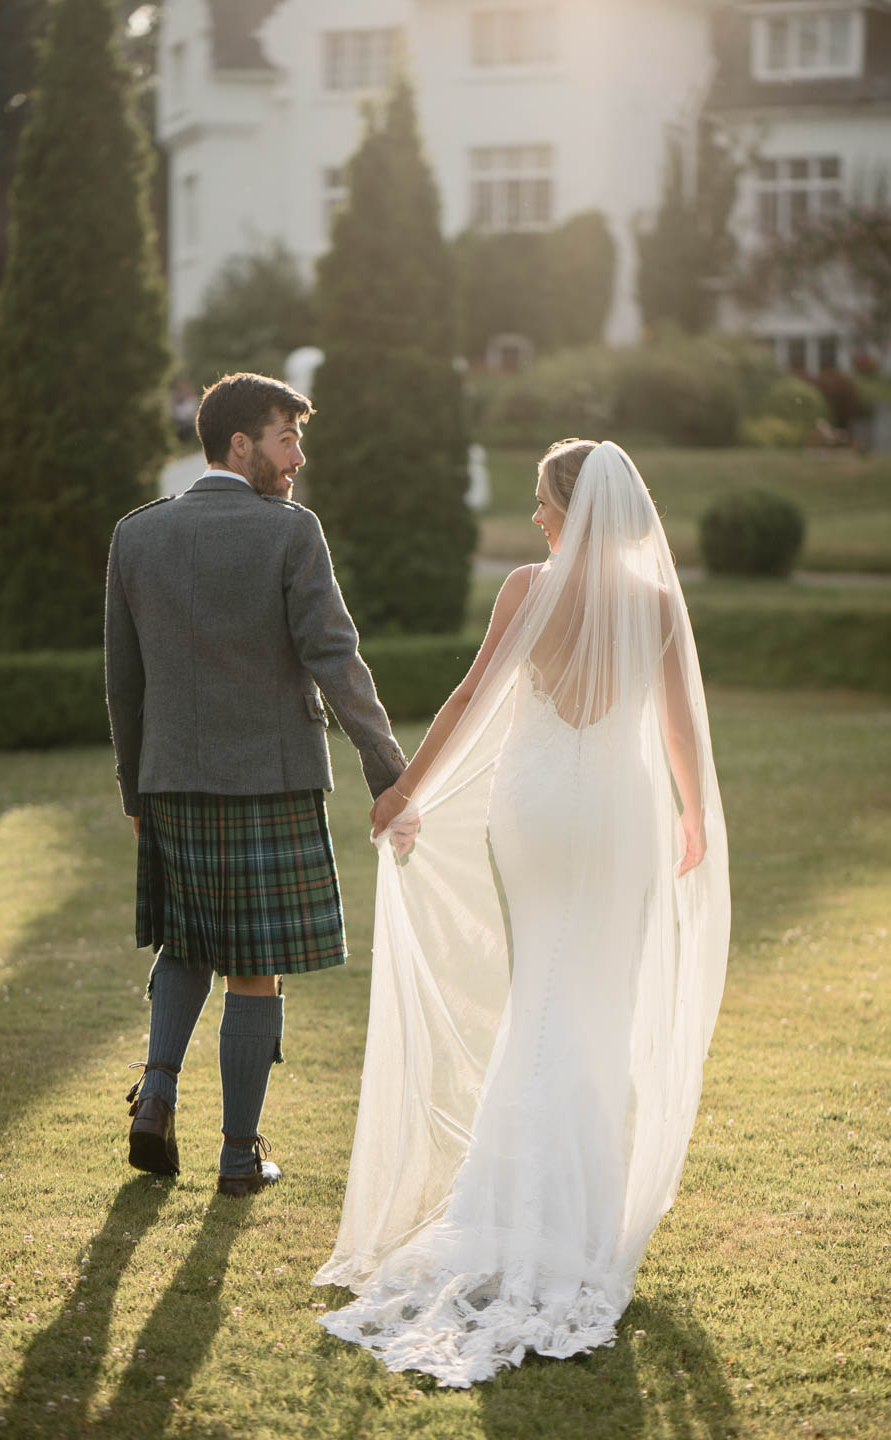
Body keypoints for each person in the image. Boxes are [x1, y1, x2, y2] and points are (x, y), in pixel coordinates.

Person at [314, 439, 730, 1386]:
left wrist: (403, 791)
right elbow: (678, 728)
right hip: (621, 812)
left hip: (537, 807)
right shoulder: (656, 604)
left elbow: (471, 695)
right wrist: (694, 815)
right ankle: (571, 1212)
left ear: (571, 510)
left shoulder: (526, 589)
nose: (537, 513)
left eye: (544, 500)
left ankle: (515, 1201)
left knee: (544, 986)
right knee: (590, 999)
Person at [104, 372, 407, 1198]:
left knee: (185, 942)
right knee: (254, 966)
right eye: (286, 439)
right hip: (269, 785)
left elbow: (121, 684)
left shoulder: (136, 536)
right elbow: (335, 662)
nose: (296, 457)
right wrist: (392, 774)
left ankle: (156, 1095)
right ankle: (239, 1157)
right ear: (240, 445)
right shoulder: (290, 533)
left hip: (171, 784)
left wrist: (137, 794)